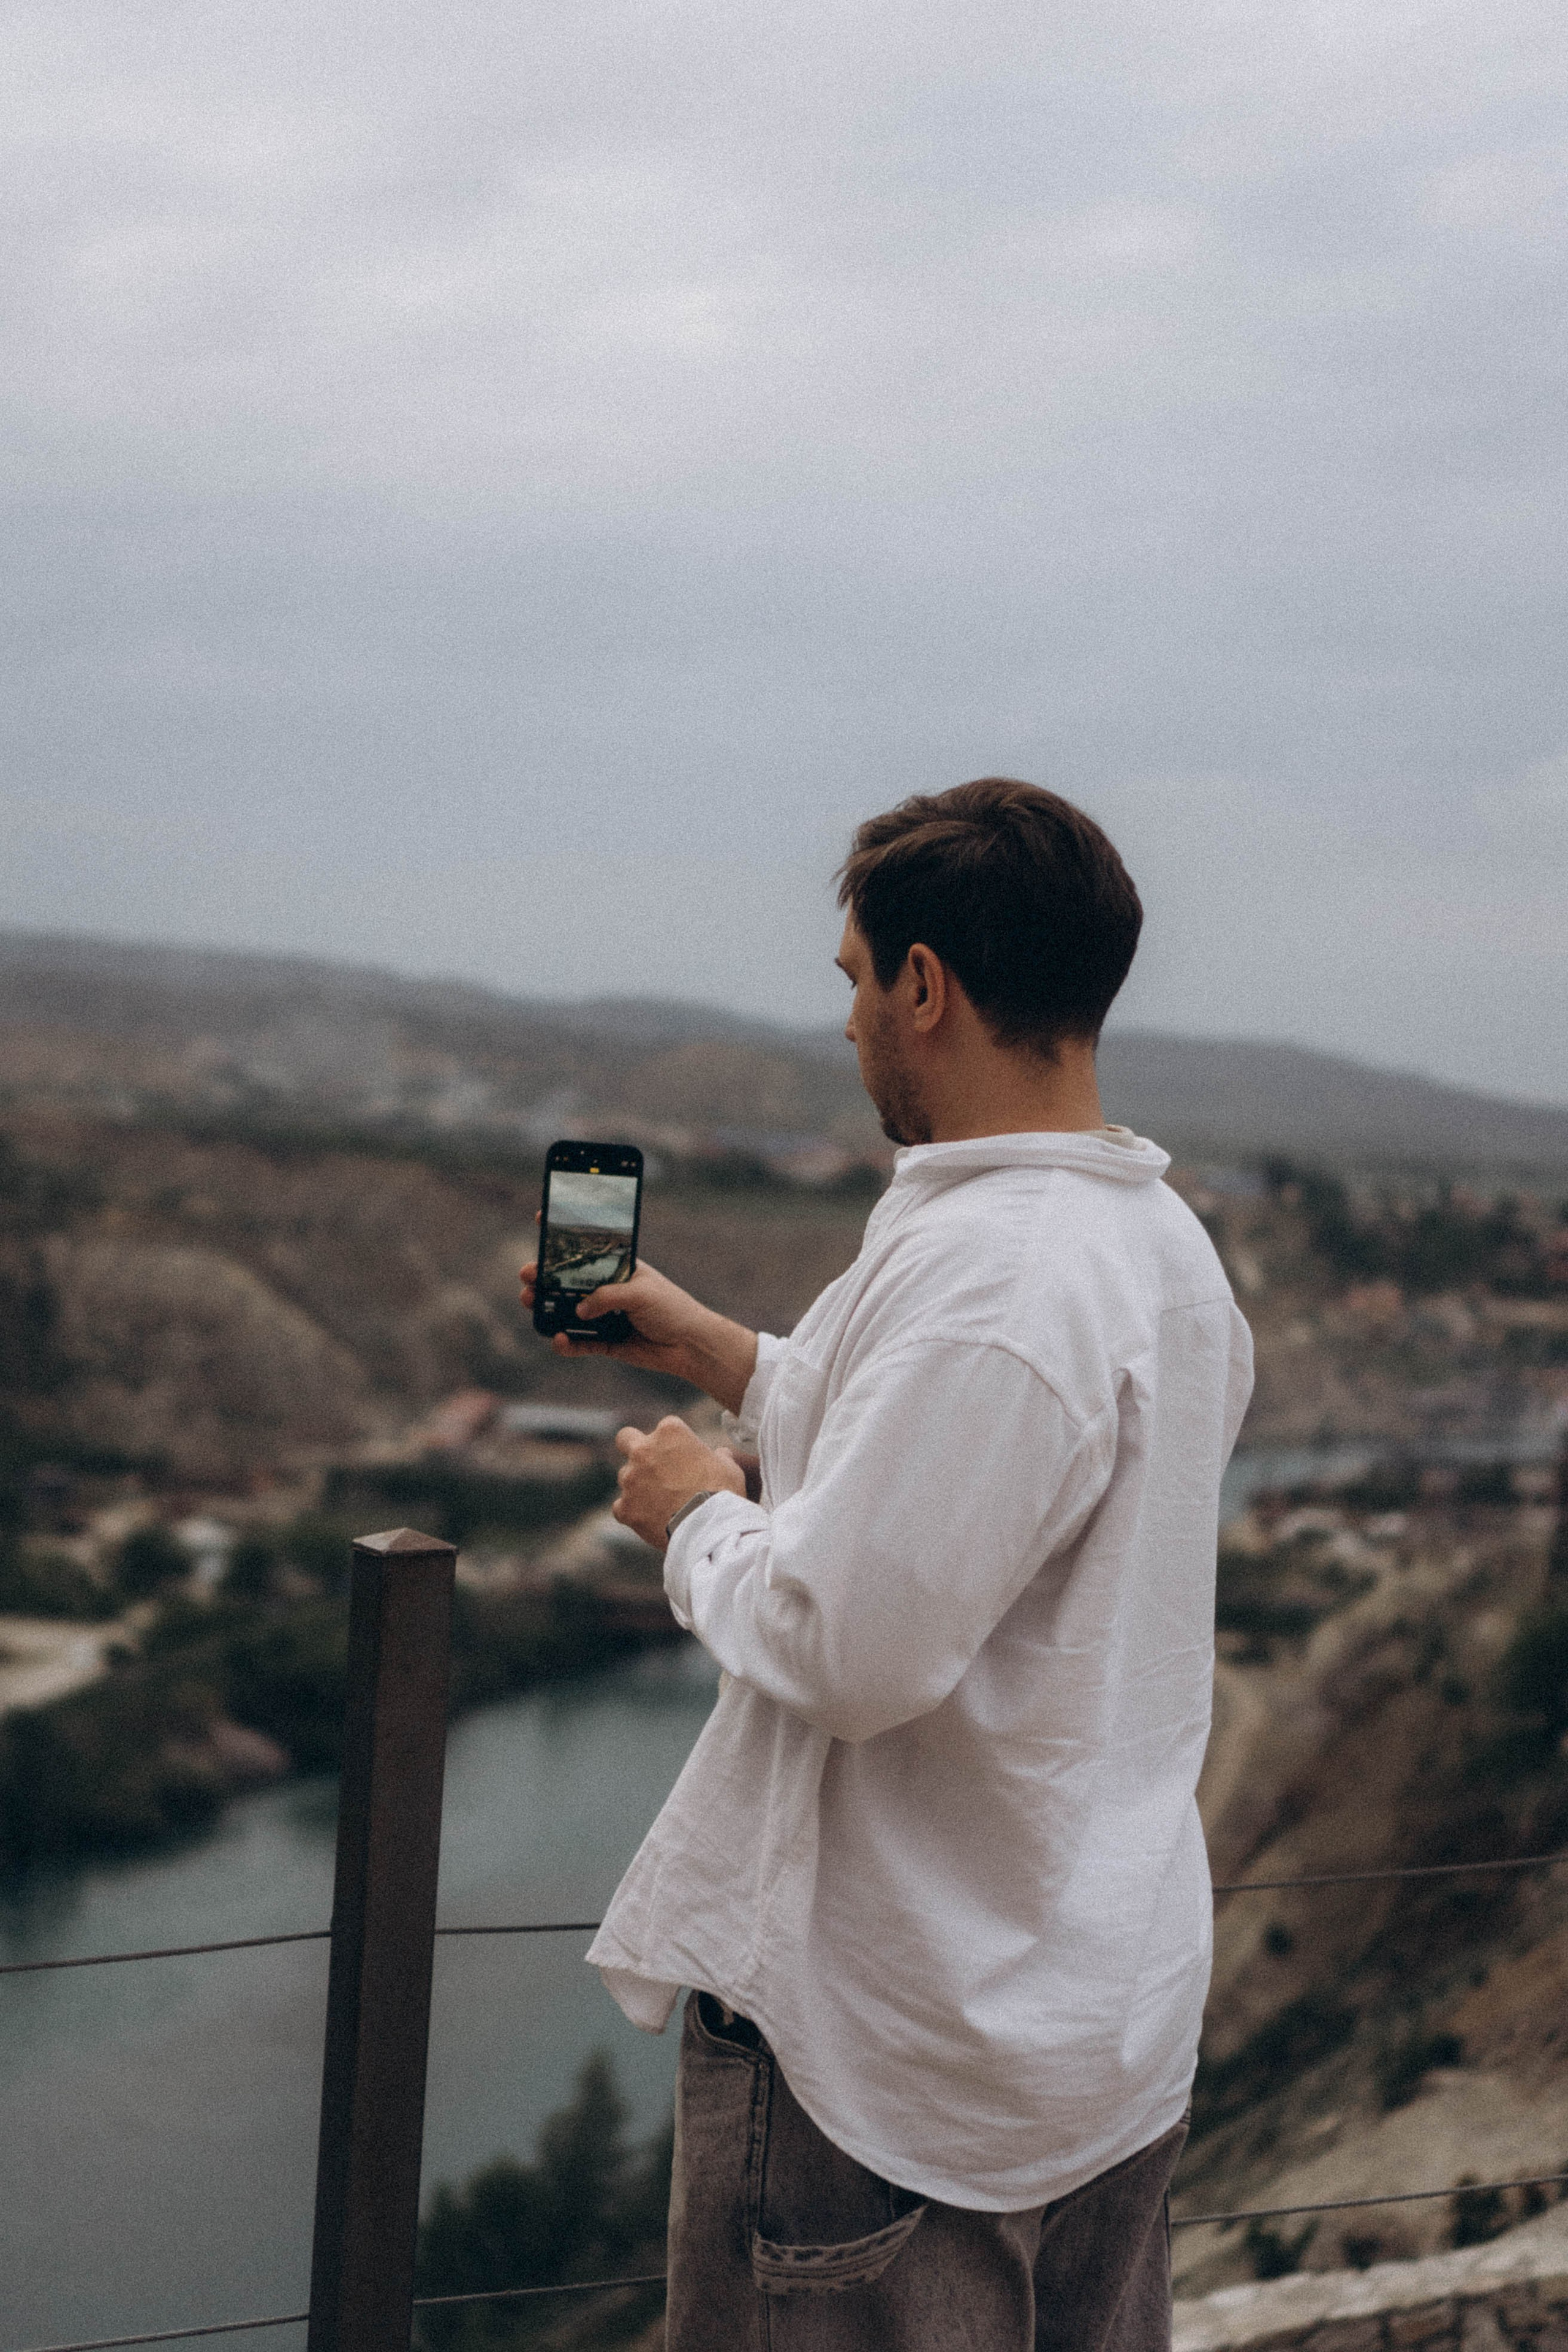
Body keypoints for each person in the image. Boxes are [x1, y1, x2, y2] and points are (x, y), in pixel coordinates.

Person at [519, 778, 1253, 2352]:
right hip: (1087, 2038)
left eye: (855, 980)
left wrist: (693, 1513)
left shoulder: (996, 1275)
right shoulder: (1152, 1248)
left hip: (898, 2082)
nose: (849, 1021)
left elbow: (847, 1647)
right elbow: (972, 1471)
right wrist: (719, 1348)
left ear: (924, 988)